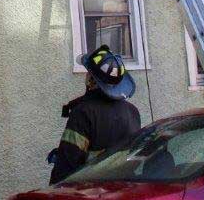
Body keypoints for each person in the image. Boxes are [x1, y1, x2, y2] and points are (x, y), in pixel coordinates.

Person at [48, 45, 142, 185]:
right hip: (123, 189)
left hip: (91, 190)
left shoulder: (83, 113)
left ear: (92, 80)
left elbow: (68, 162)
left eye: (88, 74)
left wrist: (54, 191)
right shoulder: (133, 111)